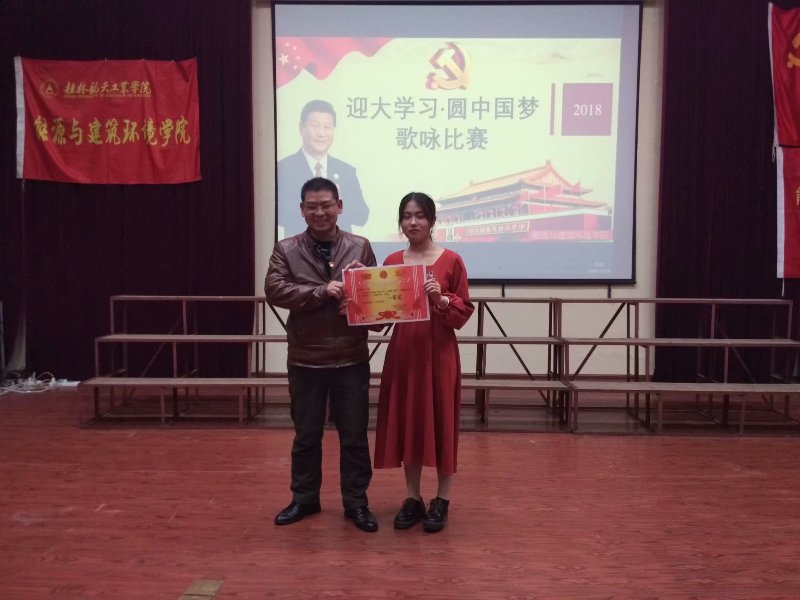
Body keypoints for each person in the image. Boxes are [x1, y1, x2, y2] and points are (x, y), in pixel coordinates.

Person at [265, 176, 378, 533]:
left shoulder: (360, 246)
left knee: (355, 437)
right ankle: (304, 498)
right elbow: (274, 289)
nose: (320, 212)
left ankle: (357, 503)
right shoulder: (286, 249)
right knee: (306, 436)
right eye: (312, 206)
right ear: (302, 210)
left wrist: (361, 297)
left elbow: (375, 296)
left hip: (351, 358)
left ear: (339, 206)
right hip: (306, 359)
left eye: (326, 205)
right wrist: (320, 292)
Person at [374, 192, 474, 532]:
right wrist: (358, 296)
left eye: (419, 215)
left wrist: (440, 299)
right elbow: (379, 316)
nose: (412, 222)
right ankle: (413, 497)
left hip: (439, 354)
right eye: (406, 216)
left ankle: (442, 499)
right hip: (404, 355)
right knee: (409, 422)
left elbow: (462, 314)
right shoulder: (392, 261)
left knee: (441, 421)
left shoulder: (451, 261)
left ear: (432, 220)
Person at [278, 100, 368, 237]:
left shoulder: (346, 171)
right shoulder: (284, 168)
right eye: (315, 126)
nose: (321, 133)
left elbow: (362, 216)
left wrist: (336, 203)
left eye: (327, 127)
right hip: (300, 247)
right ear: (301, 128)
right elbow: (282, 214)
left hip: (340, 247)